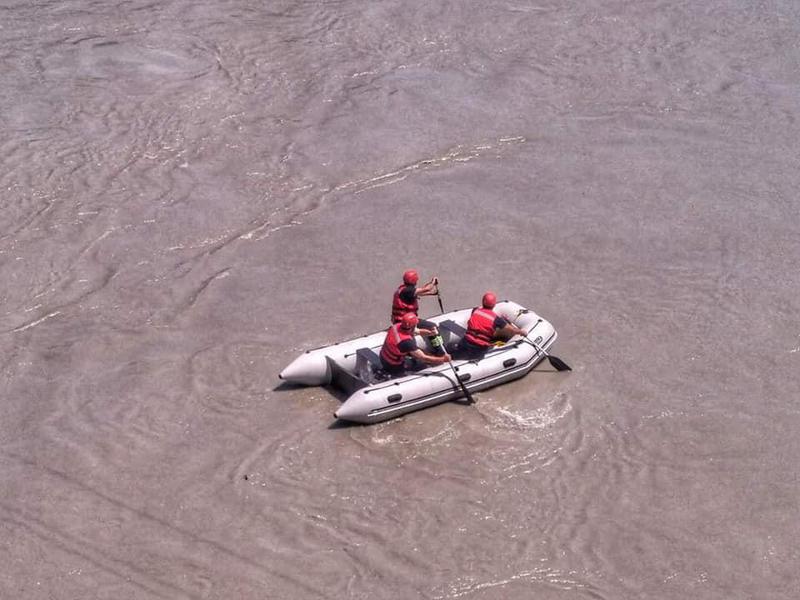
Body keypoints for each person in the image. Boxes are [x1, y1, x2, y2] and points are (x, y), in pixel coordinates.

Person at [390, 269, 445, 355]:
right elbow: (426, 288)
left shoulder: (403, 289)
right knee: (433, 327)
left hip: (402, 320)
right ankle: (440, 351)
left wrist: (432, 293)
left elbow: (419, 292)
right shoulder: (408, 291)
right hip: (405, 322)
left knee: (429, 327)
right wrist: (433, 282)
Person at [380, 313, 451, 377]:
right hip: (393, 365)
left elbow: (417, 331)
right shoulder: (406, 342)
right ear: (413, 326)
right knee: (406, 373)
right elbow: (424, 358)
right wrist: (443, 359)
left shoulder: (397, 326)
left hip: (384, 355)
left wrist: (430, 333)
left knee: (423, 352)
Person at [460, 291, 527, 360]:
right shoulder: (496, 319)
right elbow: (512, 330)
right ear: (494, 305)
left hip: (465, 342)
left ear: (482, 302)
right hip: (479, 347)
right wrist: (522, 332)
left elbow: (479, 322)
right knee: (492, 344)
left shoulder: (475, 310)